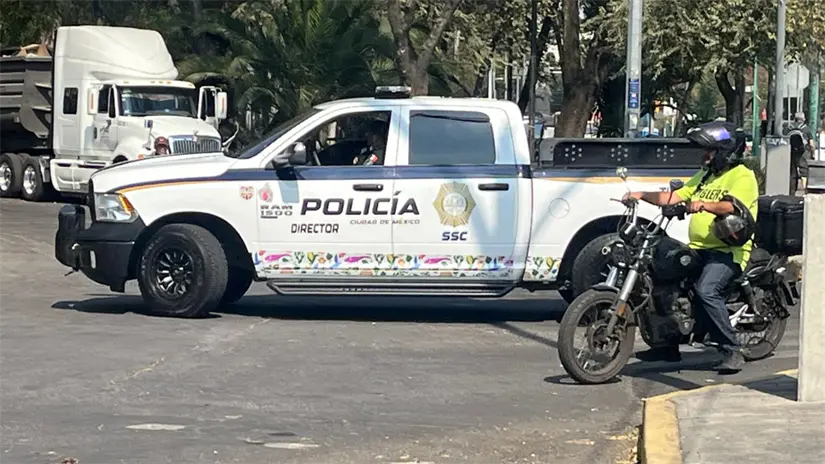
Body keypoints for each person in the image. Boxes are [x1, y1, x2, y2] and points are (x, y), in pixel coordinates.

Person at [623, 121, 759, 373]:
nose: (705, 156)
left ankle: (731, 349)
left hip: (728, 251)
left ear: (725, 152)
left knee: (707, 290)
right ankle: (667, 344)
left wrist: (703, 205)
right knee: (661, 277)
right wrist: (641, 195)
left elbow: (732, 207)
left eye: (710, 151)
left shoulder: (742, 175)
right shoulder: (706, 176)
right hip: (698, 248)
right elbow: (675, 196)